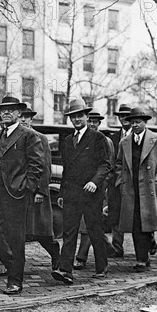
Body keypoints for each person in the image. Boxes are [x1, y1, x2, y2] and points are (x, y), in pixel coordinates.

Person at [0, 95, 44, 295]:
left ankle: (15, 280)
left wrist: (26, 188)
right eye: (2, 109)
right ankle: (11, 263)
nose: (5, 112)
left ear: (18, 113)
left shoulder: (28, 135)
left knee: (16, 238)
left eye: (10, 110)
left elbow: (37, 165)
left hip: (16, 194)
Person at [52, 99, 110, 285]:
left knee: (94, 230)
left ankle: (102, 266)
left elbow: (105, 165)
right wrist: (61, 193)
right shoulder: (68, 141)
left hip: (91, 193)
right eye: (73, 116)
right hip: (71, 193)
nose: (77, 119)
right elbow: (66, 169)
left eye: (80, 116)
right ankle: (65, 270)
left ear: (87, 117)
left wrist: (94, 182)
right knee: (69, 232)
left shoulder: (97, 138)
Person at [115, 108, 157, 271]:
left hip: (148, 188)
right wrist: (121, 181)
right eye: (132, 122)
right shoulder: (124, 142)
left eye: (138, 122)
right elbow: (118, 164)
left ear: (145, 122)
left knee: (146, 222)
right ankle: (142, 257)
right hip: (131, 189)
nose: (135, 125)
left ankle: (144, 255)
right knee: (135, 224)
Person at [19, 105, 61, 270]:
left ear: (31, 119)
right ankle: (14, 265)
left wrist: (41, 191)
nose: (23, 119)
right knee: (17, 231)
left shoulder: (40, 138)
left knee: (40, 231)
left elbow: (45, 167)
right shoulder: (14, 138)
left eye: (27, 116)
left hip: (36, 193)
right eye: (21, 116)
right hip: (19, 191)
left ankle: (55, 253)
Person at [74, 111, 116, 269]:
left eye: (95, 122)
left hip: (99, 188)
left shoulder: (105, 141)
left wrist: (100, 185)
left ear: (99, 124)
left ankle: (81, 257)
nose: (92, 124)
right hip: (81, 187)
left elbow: (108, 166)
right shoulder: (79, 139)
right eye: (90, 121)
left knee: (89, 222)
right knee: (91, 223)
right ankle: (108, 248)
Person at [108, 104, 132, 257]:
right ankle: (117, 247)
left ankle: (149, 241)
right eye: (120, 116)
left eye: (126, 116)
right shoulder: (113, 138)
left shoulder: (138, 136)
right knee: (115, 213)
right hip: (115, 182)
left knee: (137, 215)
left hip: (133, 183)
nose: (123, 119)